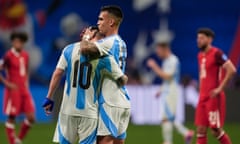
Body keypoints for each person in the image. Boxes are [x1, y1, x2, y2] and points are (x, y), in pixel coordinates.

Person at [42, 26, 128, 144]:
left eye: (88, 30)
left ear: (90, 35)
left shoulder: (69, 49)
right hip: (90, 113)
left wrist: (49, 97)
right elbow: (122, 79)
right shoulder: (104, 57)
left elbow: (57, 73)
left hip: (67, 111)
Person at [80, 5, 131, 144]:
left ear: (111, 22)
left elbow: (84, 49)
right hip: (123, 100)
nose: (98, 23)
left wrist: (86, 37)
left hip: (110, 101)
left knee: (102, 141)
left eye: (101, 19)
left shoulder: (108, 42)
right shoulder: (121, 42)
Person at [147, 42, 194, 144]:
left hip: (171, 92)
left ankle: (168, 141)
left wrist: (154, 66)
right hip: (167, 92)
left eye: (159, 51)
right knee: (169, 117)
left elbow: (168, 76)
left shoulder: (173, 60)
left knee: (166, 118)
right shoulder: (166, 61)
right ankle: (186, 133)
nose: (158, 54)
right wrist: (160, 90)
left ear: (165, 49)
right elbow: (166, 81)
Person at [195, 28, 236, 144]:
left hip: (213, 98)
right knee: (200, 129)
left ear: (209, 39)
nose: (198, 40)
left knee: (215, 130)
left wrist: (220, 88)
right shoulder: (200, 55)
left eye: (201, 38)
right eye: (197, 38)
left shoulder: (217, 53)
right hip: (202, 97)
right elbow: (202, 74)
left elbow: (231, 69)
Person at [0, 32, 35, 144]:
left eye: (20, 42)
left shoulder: (25, 55)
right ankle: (12, 142)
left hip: (24, 89)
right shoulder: (8, 56)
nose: (18, 44)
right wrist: (7, 84)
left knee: (31, 117)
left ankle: (18, 139)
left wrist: (27, 83)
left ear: (23, 43)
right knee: (12, 117)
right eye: (15, 41)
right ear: (12, 42)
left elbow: (26, 70)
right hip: (13, 90)